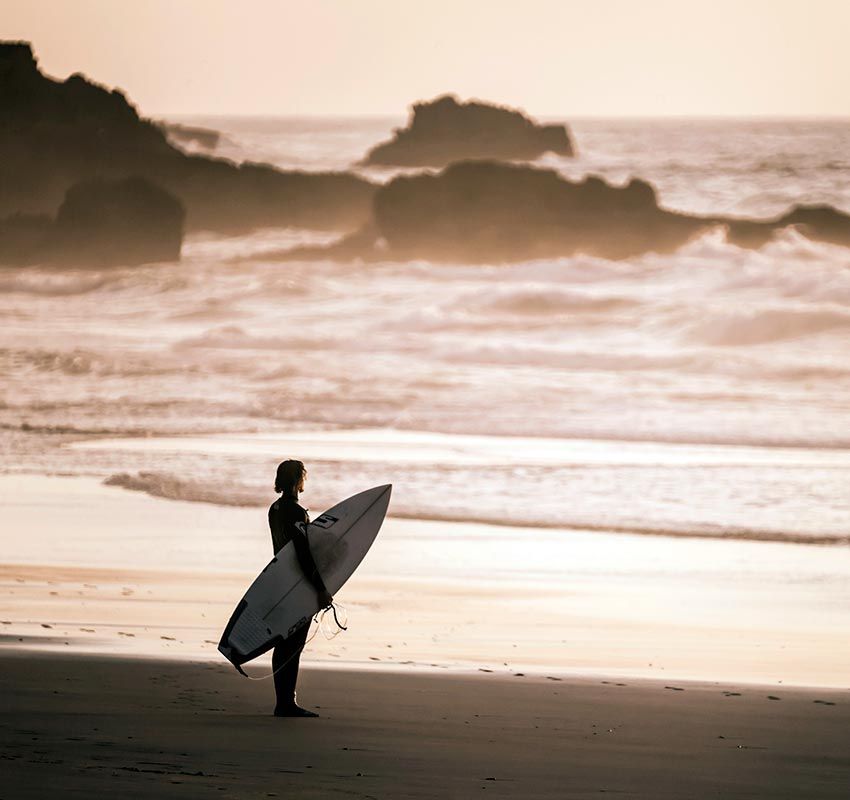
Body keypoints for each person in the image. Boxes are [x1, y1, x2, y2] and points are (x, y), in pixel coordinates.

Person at [268, 459, 332, 718]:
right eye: (304, 476)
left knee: (284, 642)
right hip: (298, 584)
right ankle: (286, 704)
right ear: (298, 480)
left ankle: (282, 701)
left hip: (279, 581)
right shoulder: (296, 512)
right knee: (293, 644)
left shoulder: (274, 508)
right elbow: (303, 555)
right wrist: (320, 588)